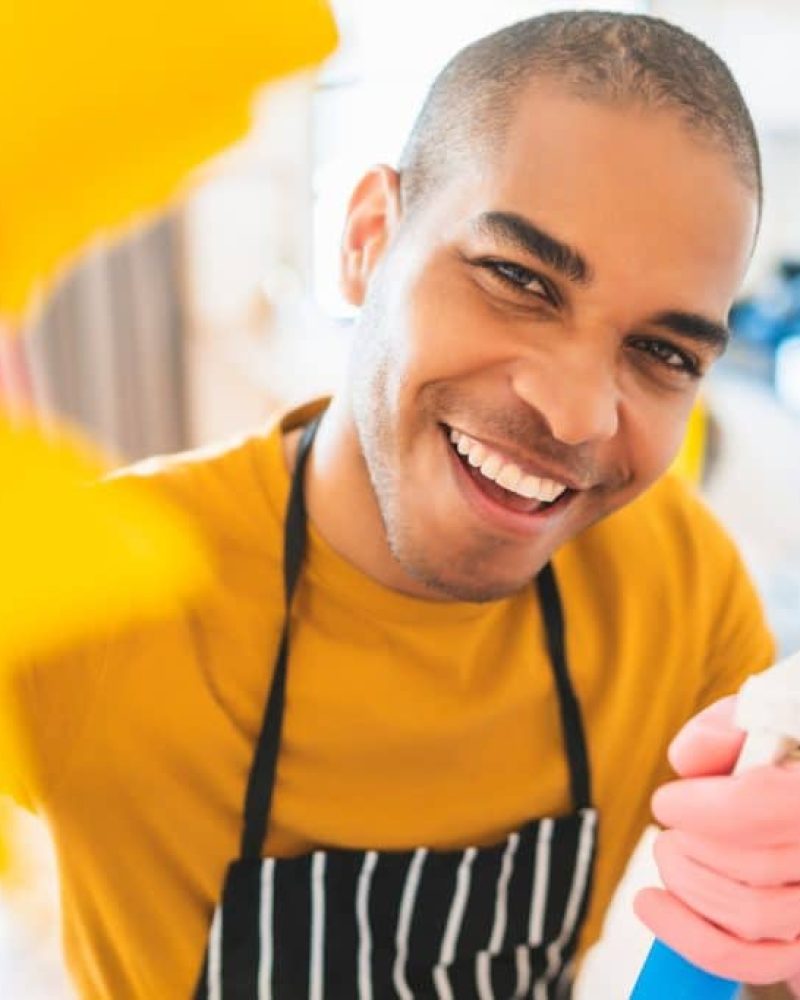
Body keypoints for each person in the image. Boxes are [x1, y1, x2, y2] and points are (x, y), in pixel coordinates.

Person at [4, 10, 800, 999]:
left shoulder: (677, 581)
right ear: (367, 238)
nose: (576, 412)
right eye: (518, 278)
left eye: (662, 352)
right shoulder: (97, 594)